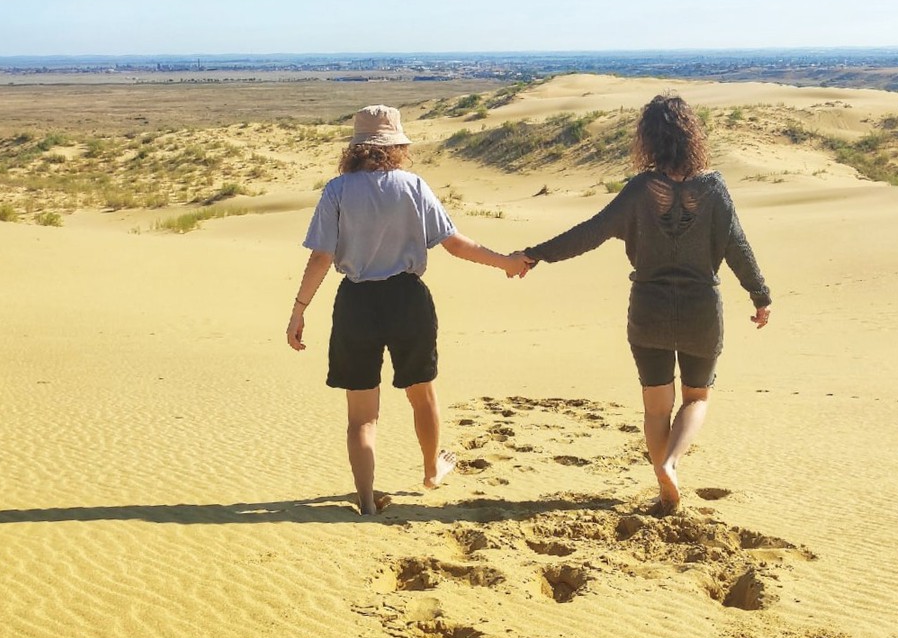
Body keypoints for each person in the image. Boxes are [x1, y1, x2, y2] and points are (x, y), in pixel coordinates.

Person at [521, 94, 770, 513]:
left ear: (649, 140)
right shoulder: (714, 188)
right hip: (700, 311)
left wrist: (536, 254)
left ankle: (662, 485)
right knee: (696, 398)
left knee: (657, 408)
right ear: (692, 136)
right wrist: (760, 296)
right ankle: (671, 464)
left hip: (649, 310)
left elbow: (590, 232)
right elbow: (738, 247)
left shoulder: (639, 191)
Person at [287, 104, 530, 514]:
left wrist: (299, 310)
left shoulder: (337, 190)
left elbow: (321, 257)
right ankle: (431, 472)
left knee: (362, 417)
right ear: (396, 146)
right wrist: (505, 261)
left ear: (356, 148)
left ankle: (365, 500)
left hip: (356, 304)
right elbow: (454, 243)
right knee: (423, 397)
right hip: (408, 301)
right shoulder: (413, 186)